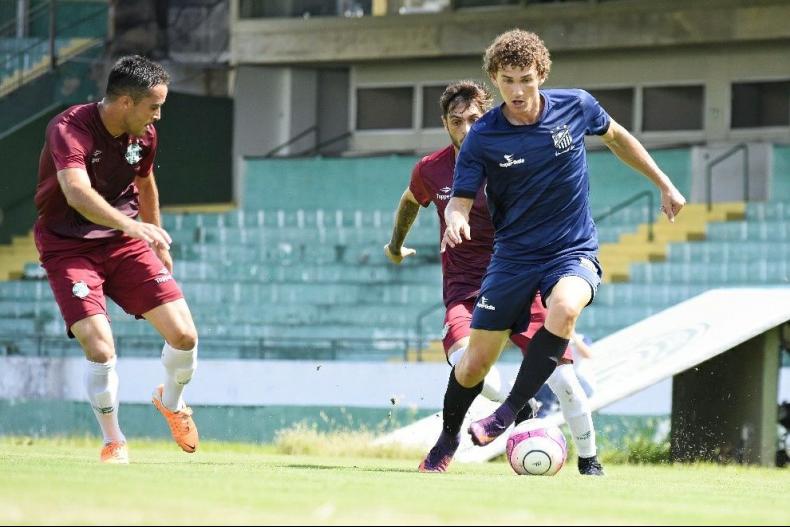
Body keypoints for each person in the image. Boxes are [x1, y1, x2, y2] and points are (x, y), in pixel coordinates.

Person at [420, 29, 686, 472]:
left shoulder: (576, 106)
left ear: (541, 74)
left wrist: (664, 183)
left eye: (526, 78)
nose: (518, 90)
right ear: (495, 79)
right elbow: (461, 200)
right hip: (513, 257)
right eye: (507, 80)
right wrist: (456, 219)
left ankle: (508, 414)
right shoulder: (484, 136)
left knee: (565, 307)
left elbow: (618, 137)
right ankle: (447, 440)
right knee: (473, 365)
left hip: (572, 248)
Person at [384, 80, 603, 474]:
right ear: (444, 124)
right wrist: (396, 245)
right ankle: (478, 427)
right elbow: (408, 201)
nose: (466, 129)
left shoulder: (514, 157)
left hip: (521, 279)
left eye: (473, 119)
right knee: (469, 366)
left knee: (566, 383)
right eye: (456, 121)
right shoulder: (431, 170)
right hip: (467, 291)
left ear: (487, 117)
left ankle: (590, 463)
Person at [33, 55, 200, 464]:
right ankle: (114, 439)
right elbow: (76, 192)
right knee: (99, 346)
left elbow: (145, 183)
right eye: (153, 107)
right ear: (125, 102)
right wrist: (133, 227)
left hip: (123, 243)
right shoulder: (68, 129)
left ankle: (172, 403)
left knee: (184, 337)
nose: (157, 117)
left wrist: (157, 238)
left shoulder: (143, 135)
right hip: (68, 245)